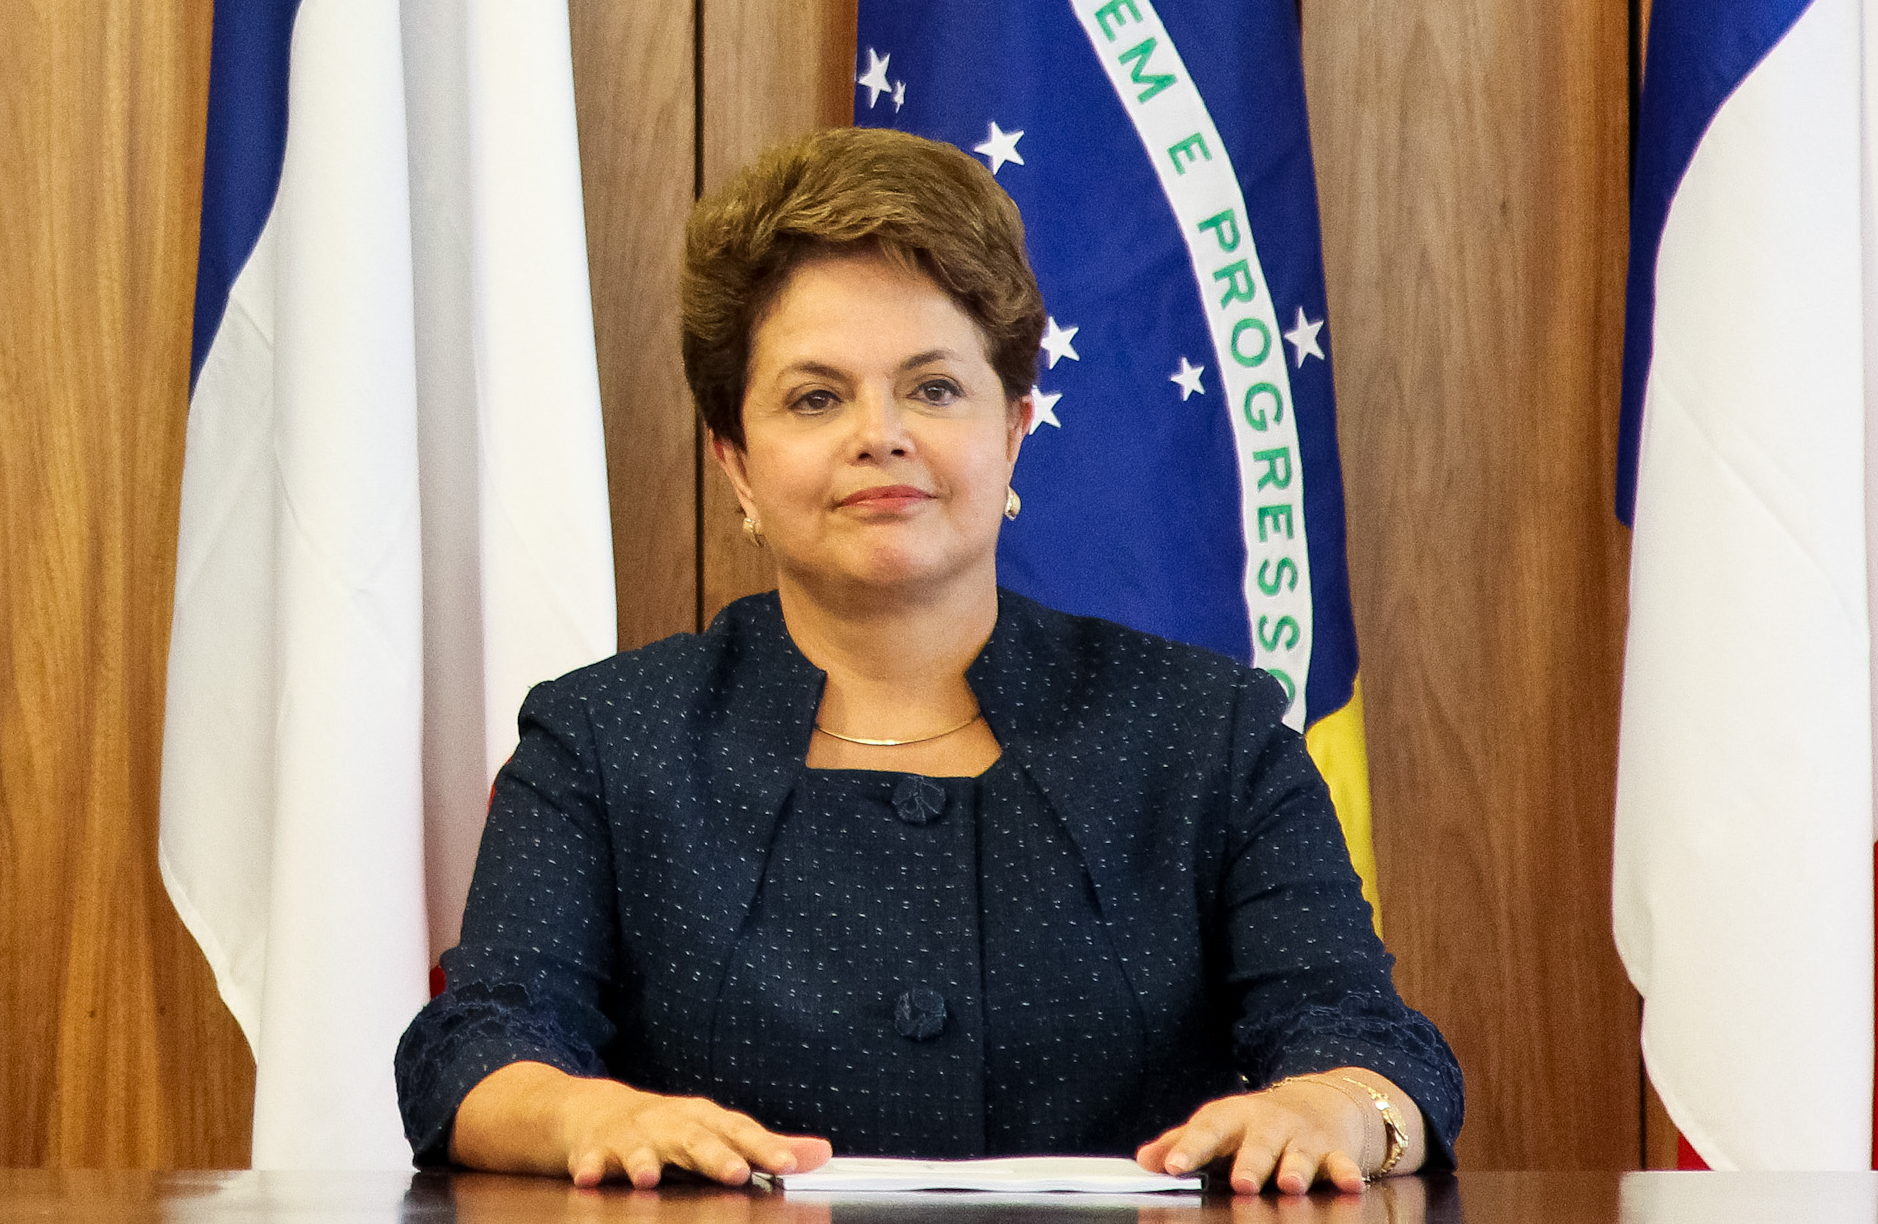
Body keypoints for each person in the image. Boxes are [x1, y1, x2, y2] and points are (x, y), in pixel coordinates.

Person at [396, 127, 1459, 1194]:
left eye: (933, 389)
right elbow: (474, 1050)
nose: (879, 435)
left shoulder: (1202, 731)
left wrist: (1335, 1107)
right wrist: (585, 1113)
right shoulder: (602, 739)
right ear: (736, 464)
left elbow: (1365, 1037)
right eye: (815, 398)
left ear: (1013, 428)